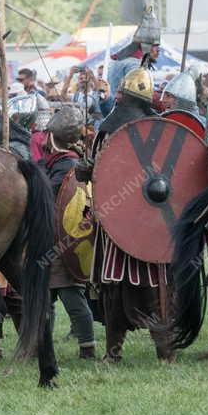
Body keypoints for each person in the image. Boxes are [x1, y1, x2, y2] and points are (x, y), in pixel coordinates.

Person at [76, 64, 170, 362]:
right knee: (154, 287)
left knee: (116, 288)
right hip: (147, 226)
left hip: (119, 223)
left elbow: (97, 172)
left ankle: (115, 353)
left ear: (120, 97)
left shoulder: (107, 133)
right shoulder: (159, 132)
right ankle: (163, 352)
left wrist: (86, 170)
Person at [38, 106, 96, 359]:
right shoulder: (55, 162)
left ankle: (87, 347)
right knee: (44, 300)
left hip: (64, 241)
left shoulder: (69, 165)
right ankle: (40, 345)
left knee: (72, 297)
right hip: (49, 242)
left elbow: (49, 195)